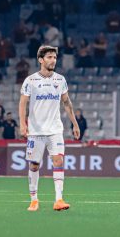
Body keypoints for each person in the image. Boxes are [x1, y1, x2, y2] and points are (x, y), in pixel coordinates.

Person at [19, 45, 80, 212]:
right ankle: (34, 200)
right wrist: (23, 124)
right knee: (34, 165)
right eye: (49, 57)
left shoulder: (60, 80)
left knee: (58, 160)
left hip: (55, 130)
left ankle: (59, 199)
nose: (53, 60)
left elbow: (66, 103)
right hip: (36, 131)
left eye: (54, 57)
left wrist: (74, 123)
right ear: (40, 59)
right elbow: (23, 102)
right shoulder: (30, 81)